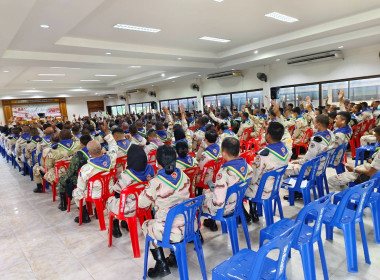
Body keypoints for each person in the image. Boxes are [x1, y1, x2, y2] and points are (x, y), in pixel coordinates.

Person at [138, 145, 190, 278]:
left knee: (146, 225)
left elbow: (142, 203)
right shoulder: (184, 176)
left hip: (170, 230)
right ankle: (174, 257)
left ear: (156, 163)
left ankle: (161, 264)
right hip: (189, 225)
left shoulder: (155, 182)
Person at [202, 137, 253, 231]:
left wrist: (205, 200)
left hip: (226, 209)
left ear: (223, 153)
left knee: (200, 200)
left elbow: (218, 203)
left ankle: (204, 229)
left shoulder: (224, 174)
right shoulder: (248, 167)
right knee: (209, 191)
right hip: (238, 204)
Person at [72, 121, 118, 223]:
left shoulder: (86, 169)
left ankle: (84, 216)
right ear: (101, 149)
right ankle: (98, 211)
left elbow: (81, 188)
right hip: (109, 190)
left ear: (89, 153)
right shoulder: (111, 158)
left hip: (95, 194)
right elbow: (114, 146)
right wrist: (106, 132)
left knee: (76, 192)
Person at [106, 144, 155, 238]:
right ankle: (125, 223)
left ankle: (115, 227)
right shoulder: (150, 169)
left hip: (131, 209)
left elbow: (117, 191)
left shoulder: (125, 175)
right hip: (146, 206)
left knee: (111, 199)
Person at [245, 122, 290, 222]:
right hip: (276, 188)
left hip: (263, 191)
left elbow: (253, 180)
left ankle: (245, 216)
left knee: (240, 187)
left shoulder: (263, 155)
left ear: (268, 135)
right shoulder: (285, 150)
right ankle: (253, 212)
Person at [284, 114, 334, 198]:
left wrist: (298, 161)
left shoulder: (316, 139)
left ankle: (295, 190)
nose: (313, 126)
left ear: (319, 124)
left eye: (314, 123)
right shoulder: (330, 134)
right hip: (322, 165)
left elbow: (308, 159)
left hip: (312, 169)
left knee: (284, 169)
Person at [328, 126, 380, 191]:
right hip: (371, 170)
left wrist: (354, 169)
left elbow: (370, 173)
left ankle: (349, 193)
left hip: (371, 178)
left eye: (377, 137)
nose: (376, 140)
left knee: (331, 180)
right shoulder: (348, 129)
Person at [33, 129, 81, 193]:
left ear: (59, 138)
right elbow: (76, 139)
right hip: (77, 173)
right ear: (71, 136)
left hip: (60, 175)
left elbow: (48, 165)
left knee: (36, 168)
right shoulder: (78, 145)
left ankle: (39, 187)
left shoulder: (54, 150)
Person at [57, 135, 92, 211]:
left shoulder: (78, 155)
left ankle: (63, 204)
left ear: (81, 143)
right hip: (94, 179)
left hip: (82, 180)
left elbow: (70, 172)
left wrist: (66, 177)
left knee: (62, 179)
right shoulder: (96, 151)